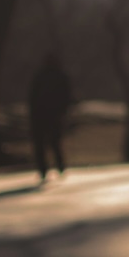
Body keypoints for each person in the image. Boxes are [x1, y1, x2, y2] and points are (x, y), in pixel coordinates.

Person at [28, 53, 72, 183]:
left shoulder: (41, 77)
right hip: (51, 115)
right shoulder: (59, 76)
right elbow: (67, 96)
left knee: (45, 143)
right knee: (53, 142)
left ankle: (46, 169)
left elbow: (32, 97)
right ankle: (58, 166)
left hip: (43, 115)